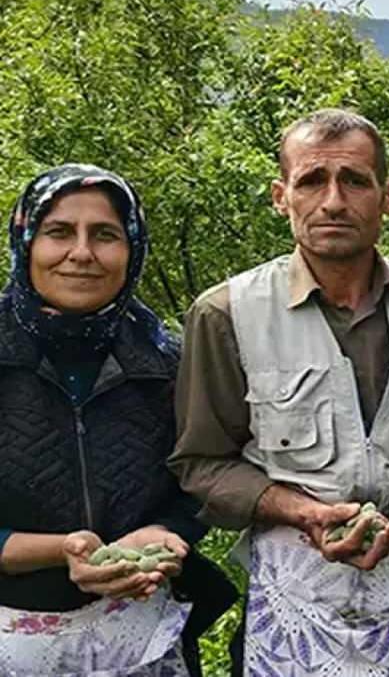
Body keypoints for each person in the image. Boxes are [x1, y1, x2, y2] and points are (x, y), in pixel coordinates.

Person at [168, 109, 389, 675]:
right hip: (296, 595)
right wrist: (304, 513)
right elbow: (201, 464)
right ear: (281, 196)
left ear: (388, 196)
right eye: (312, 181)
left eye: (355, 181)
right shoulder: (227, 313)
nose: (334, 202)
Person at [0, 164, 235, 675]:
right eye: (59, 232)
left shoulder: (167, 364)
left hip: (145, 639)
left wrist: (165, 530)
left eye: (105, 235)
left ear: (132, 249)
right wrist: (61, 550)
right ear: (26, 241)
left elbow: (206, 476)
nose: (82, 253)